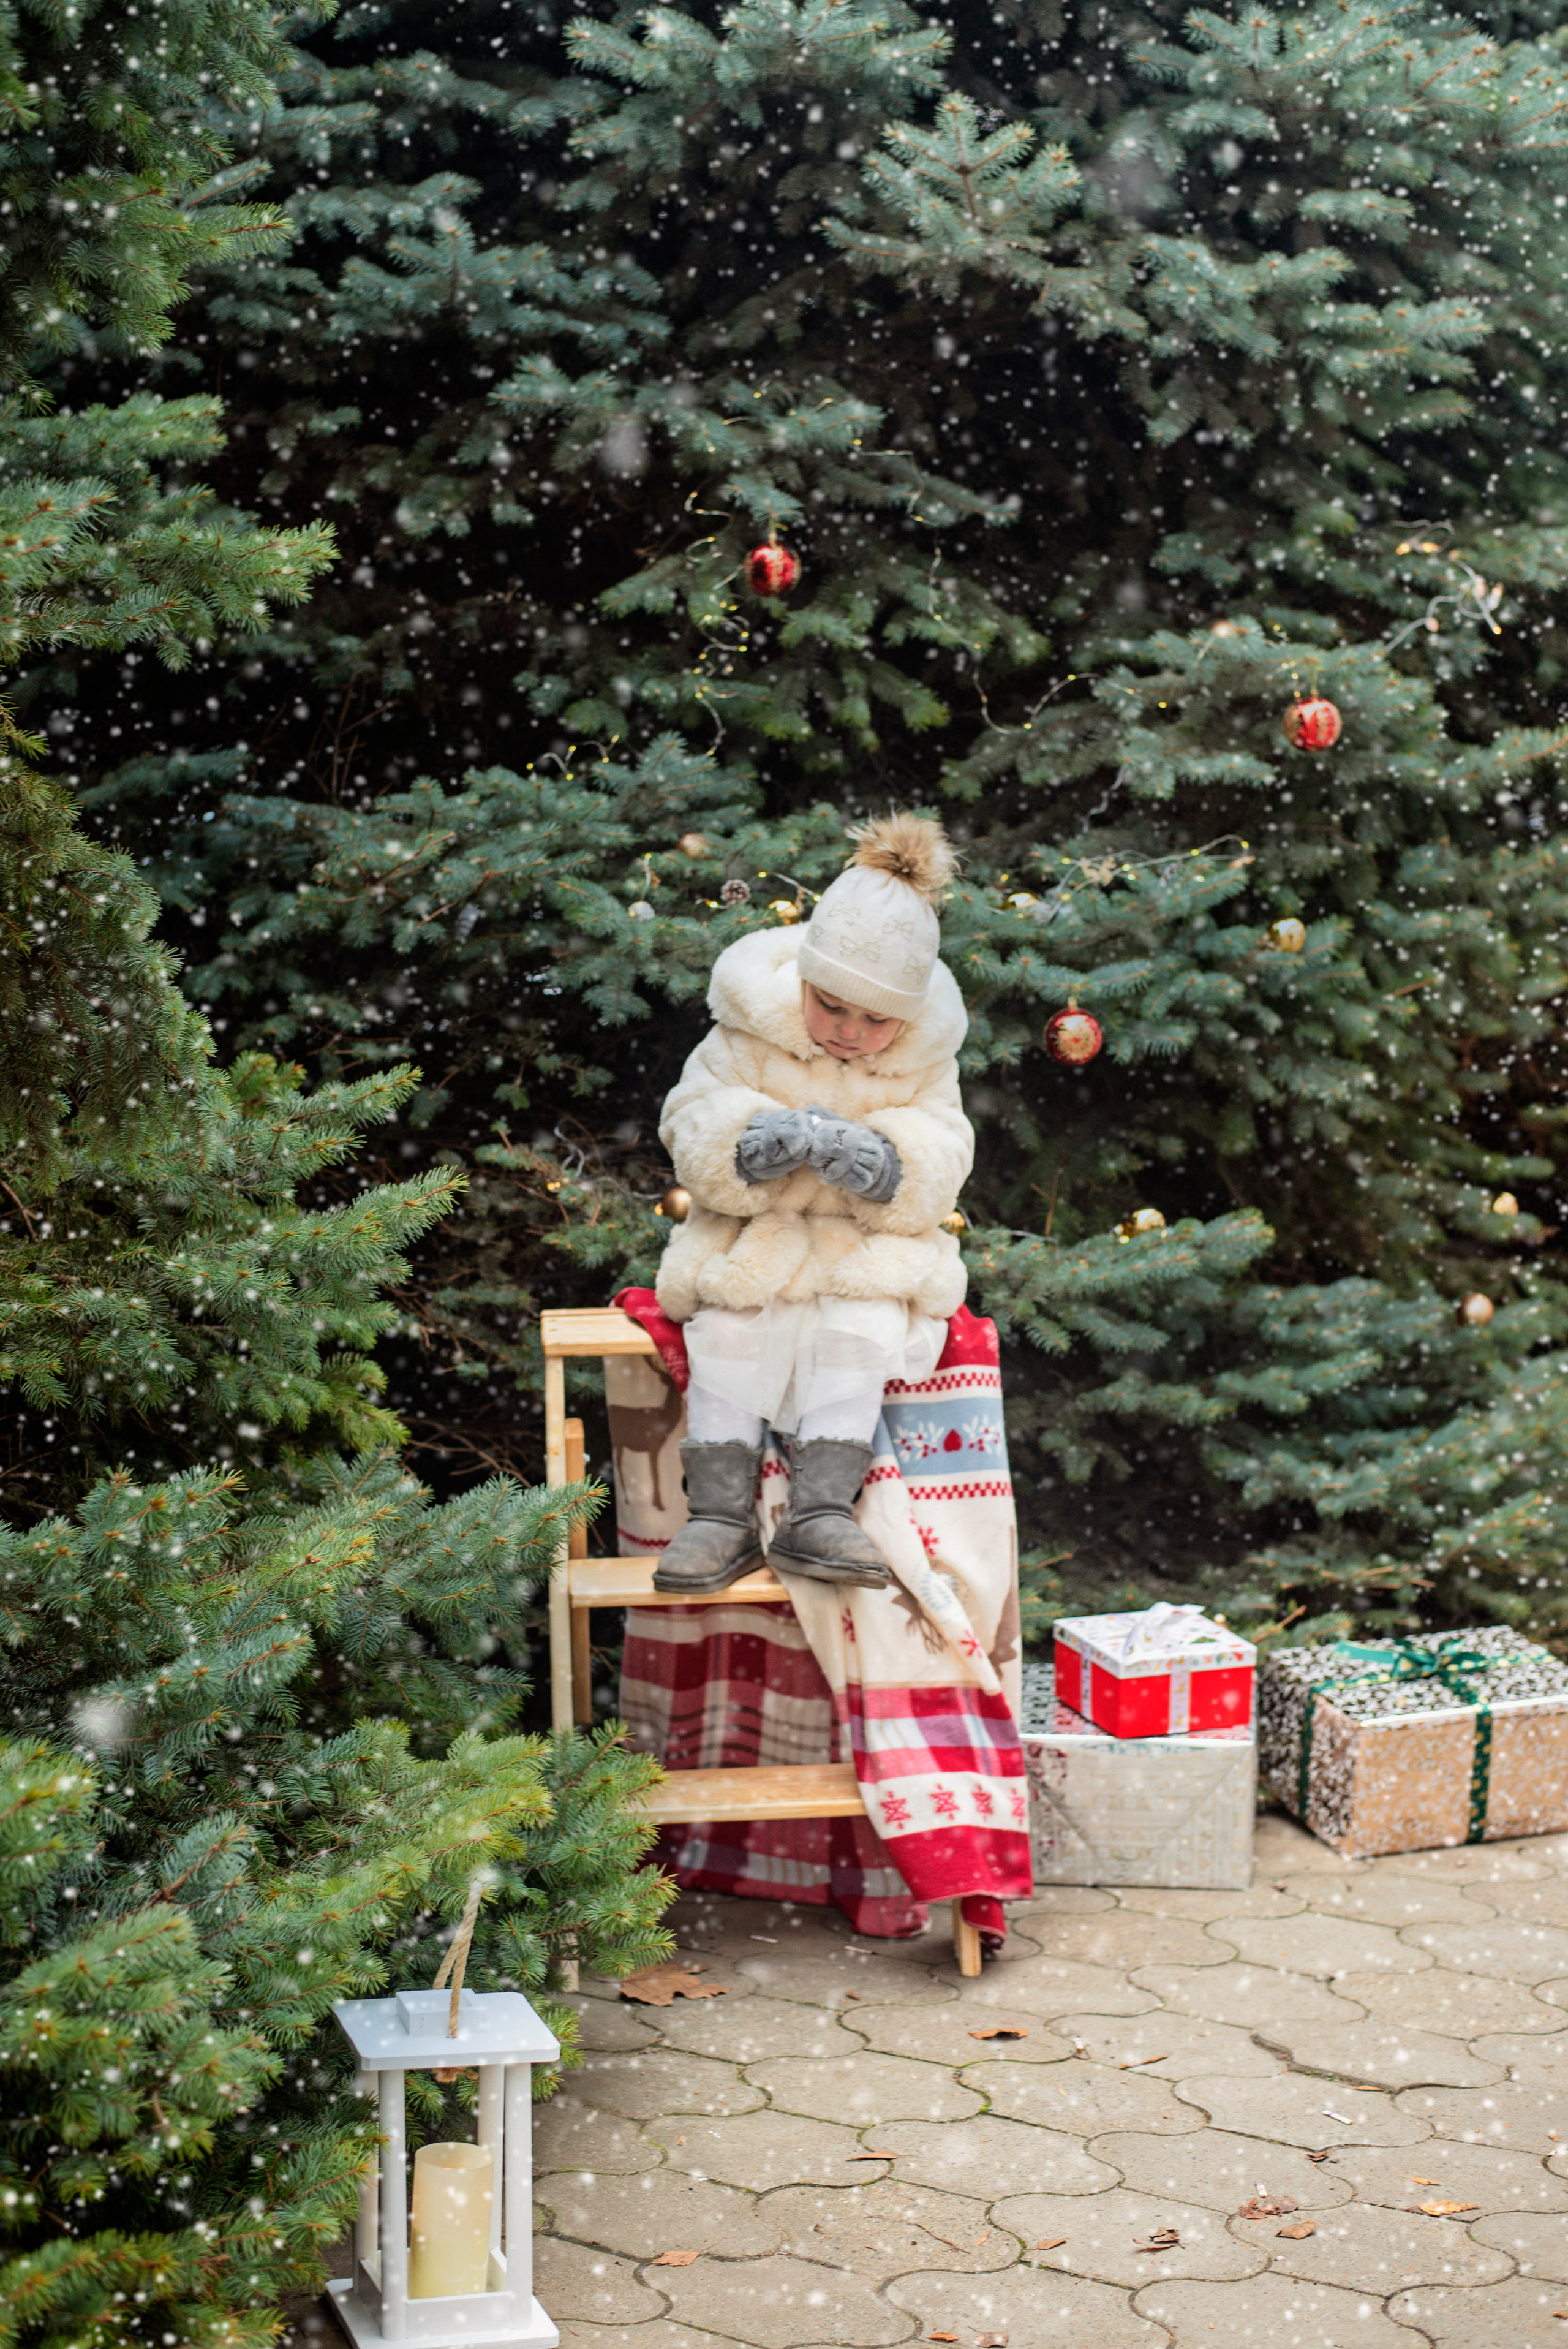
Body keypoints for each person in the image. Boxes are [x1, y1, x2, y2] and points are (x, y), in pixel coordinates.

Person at [652, 813, 973, 1594]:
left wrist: (885, 1161)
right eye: (831, 1006)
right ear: (802, 980)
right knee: (730, 1322)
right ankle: (719, 1517)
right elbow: (688, 1116)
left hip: (857, 1250)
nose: (849, 1032)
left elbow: (948, 1146)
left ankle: (822, 1510)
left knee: (860, 1326)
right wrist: (750, 1140)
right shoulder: (745, 1029)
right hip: (751, 1236)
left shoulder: (926, 1059)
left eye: (874, 1019)